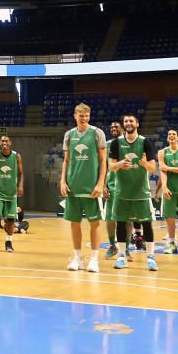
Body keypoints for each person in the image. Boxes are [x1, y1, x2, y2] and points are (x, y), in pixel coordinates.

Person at [59, 103, 107, 273]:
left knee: (95, 223)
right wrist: (63, 181)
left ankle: (94, 259)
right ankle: (77, 258)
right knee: (74, 224)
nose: (84, 118)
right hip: (73, 186)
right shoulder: (69, 135)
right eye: (81, 115)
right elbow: (66, 161)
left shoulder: (96, 133)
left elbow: (103, 161)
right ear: (75, 116)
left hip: (92, 187)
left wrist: (101, 183)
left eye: (87, 115)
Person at [109, 114, 158, 272]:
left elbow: (153, 168)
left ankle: (150, 257)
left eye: (131, 121)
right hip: (121, 191)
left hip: (141, 192)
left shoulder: (145, 142)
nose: (128, 123)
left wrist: (144, 164)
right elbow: (110, 167)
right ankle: (122, 256)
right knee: (121, 224)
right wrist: (119, 164)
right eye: (126, 121)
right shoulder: (117, 143)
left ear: (137, 123)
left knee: (146, 224)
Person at [0, 136, 23, 253]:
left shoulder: (16, 156)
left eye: (6, 141)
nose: (4, 143)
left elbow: (21, 173)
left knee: (10, 219)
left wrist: (21, 186)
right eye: (2, 141)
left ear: (10, 143)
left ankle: (9, 242)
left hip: (12, 193)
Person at [103, 121, 123, 259]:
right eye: (111, 127)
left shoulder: (128, 142)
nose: (113, 129)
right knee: (109, 218)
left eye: (116, 126)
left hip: (126, 185)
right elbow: (104, 166)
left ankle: (125, 248)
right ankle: (112, 245)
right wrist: (103, 185)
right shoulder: (107, 144)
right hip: (111, 185)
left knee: (126, 220)